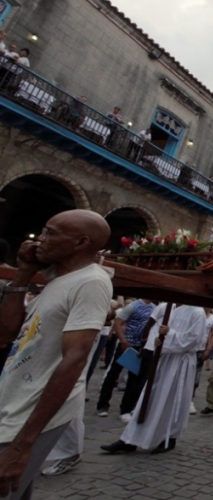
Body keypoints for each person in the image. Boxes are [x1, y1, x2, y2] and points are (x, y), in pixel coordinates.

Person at [0, 209, 112, 499]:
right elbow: (6, 333)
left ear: (80, 243)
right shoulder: (58, 280)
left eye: (50, 233)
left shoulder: (91, 282)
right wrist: (24, 272)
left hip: (30, 415)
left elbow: (74, 360)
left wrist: (24, 444)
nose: (40, 239)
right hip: (14, 402)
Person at [101, 303, 207, 454]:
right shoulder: (175, 309)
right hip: (165, 360)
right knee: (150, 397)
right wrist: (159, 341)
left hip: (180, 364)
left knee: (172, 400)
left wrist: (169, 334)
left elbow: (194, 339)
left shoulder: (197, 311)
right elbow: (162, 333)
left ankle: (168, 437)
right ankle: (130, 438)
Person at [96, 298, 156, 421]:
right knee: (114, 373)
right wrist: (123, 340)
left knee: (134, 378)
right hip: (127, 345)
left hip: (141, 347)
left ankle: (126, 408)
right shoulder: (133, 306)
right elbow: (118, 322)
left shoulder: (154, 308)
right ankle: (103, 404)